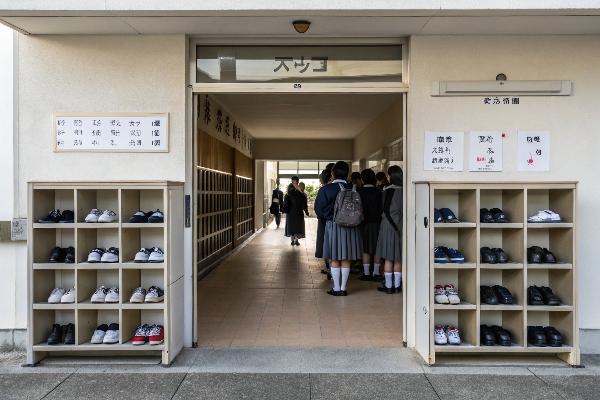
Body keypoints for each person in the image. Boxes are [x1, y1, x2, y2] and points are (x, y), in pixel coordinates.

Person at [314, 161, 363, 296]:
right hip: (352, 227)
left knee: (334, 257)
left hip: (333, 225)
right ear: (348, 173)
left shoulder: (326, 189)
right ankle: (343, 287)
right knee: (346, 258)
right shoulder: (354, 189)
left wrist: (328, 217)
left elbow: (319, 210)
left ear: (333, 173)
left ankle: (336, 288)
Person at [375, 165, 403, 294]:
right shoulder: (405, 191)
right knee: (398, 257)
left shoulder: (387, 191)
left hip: (387, 226)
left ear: (390, 177)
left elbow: (382, 208)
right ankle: (397, 286)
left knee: (388, 258)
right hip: (401, 227)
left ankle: (389, 286)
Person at [357, 169, 383, 282]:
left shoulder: (359, 192)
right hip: (377, 223)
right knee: (377, 248)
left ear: (362, 179)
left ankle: (366, 273)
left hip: (363, 223)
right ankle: (376, 272)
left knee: (365, 248)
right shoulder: (379, 192)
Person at [315, 168, 332, 279]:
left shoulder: (324, 190)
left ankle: (329, 269)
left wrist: (323, 217)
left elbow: (318, 209)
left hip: (325, 221)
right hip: (340, 222)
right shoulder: (347, 187)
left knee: (326, 245)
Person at [284, 179, 308, 246]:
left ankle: (293, 239)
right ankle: (296, 239)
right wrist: (306, 211)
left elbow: (285, 204)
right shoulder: (301, 195)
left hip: (290, 213)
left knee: (291, 227)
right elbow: (304, 204)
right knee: (297, 227)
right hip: (298, 213)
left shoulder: (288, 195)